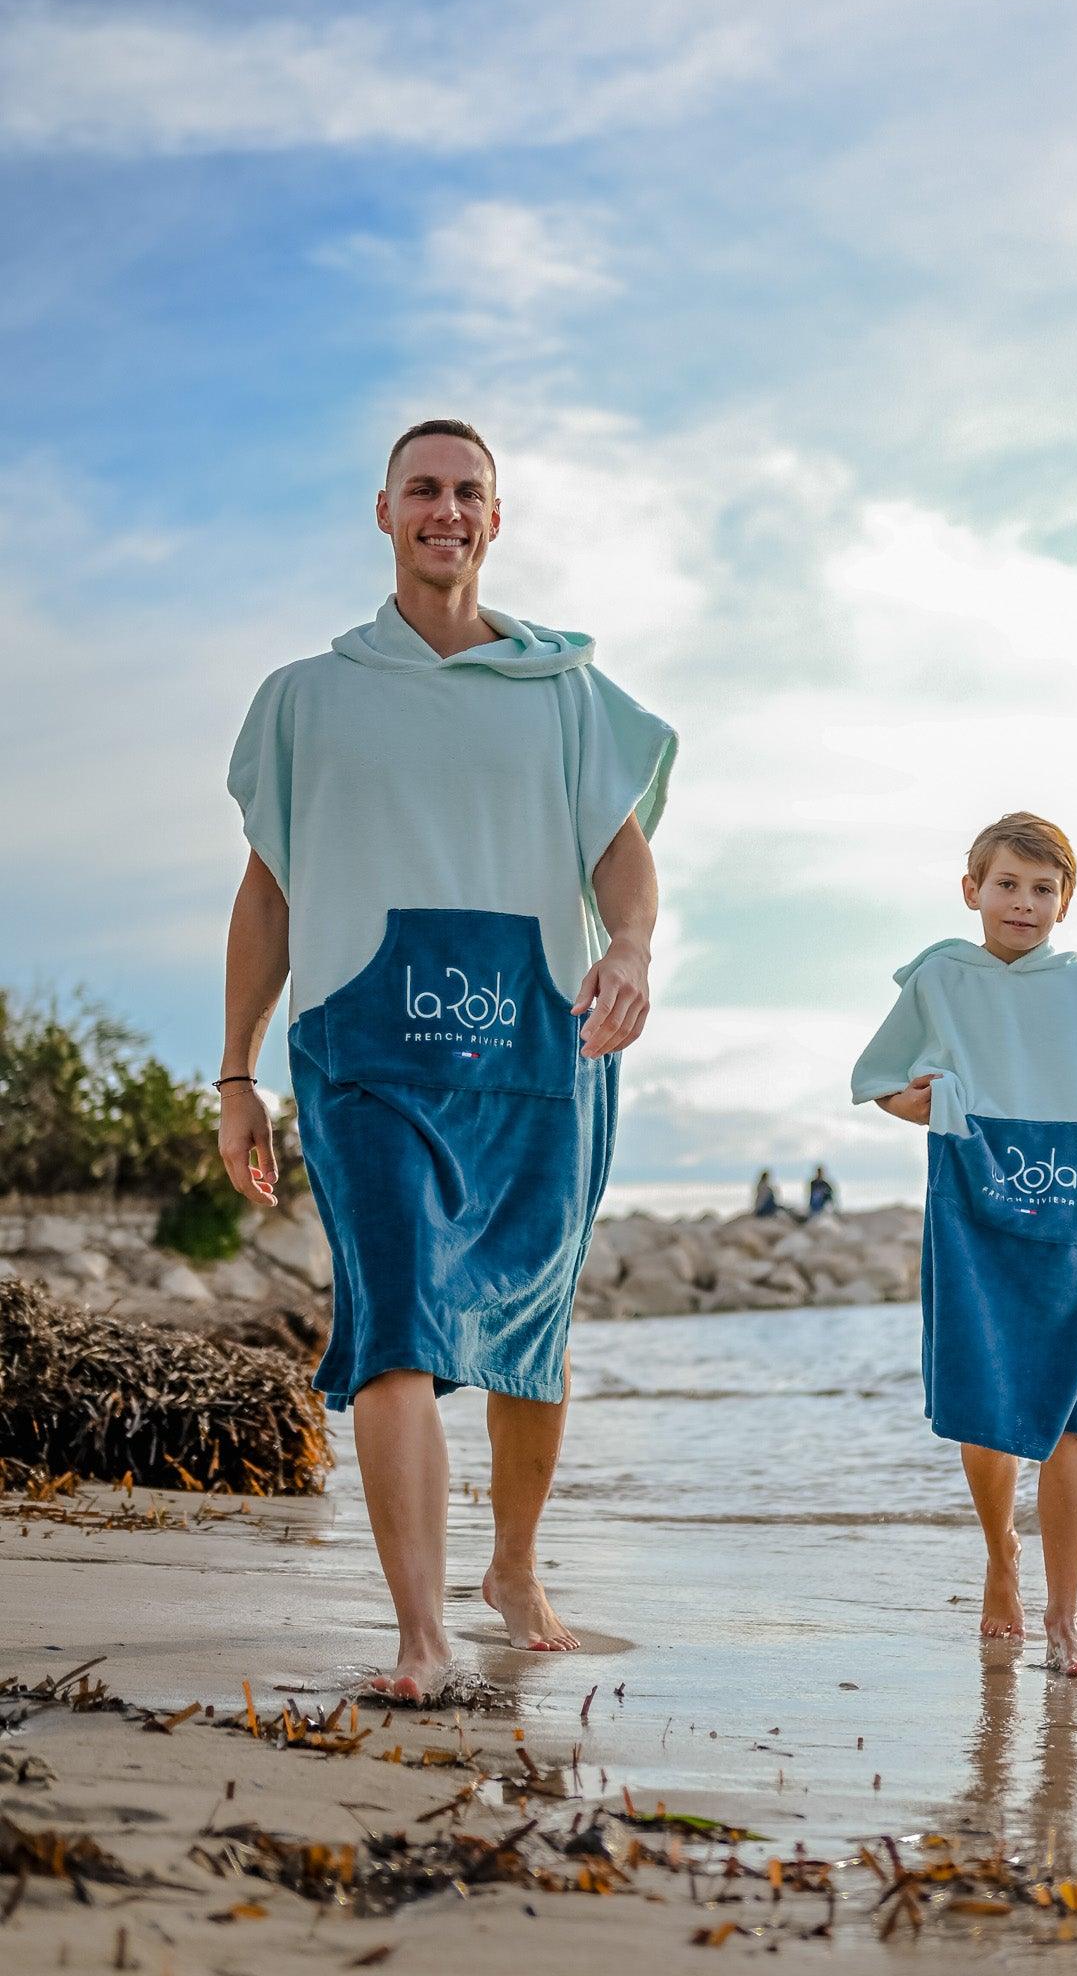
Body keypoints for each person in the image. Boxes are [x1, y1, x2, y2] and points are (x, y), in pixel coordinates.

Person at [217, 418, 676, 1694]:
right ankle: (420, 1632)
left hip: (541, 1038)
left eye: (469, 491)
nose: (446, 509)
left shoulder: (565, 690)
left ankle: (511, 1564)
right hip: (364, 1041)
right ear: (382, 511)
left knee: (533, 1325)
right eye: (423, 488)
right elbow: (268, 894)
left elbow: (620, 854)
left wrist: (630, 948)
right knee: (396, 1320)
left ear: (495, 517)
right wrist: (236, 1071)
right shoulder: (308, 695)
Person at [850, 812, 1077, 1677]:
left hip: (1076, 1210)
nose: (1024, 902)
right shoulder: (942, 978)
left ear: (1066, 900)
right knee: (985, 1406)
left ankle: (1065, 1622)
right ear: (971, 890)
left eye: (1043, 888)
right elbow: (879, 1082)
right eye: (1007, 884)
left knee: (1072, 1418)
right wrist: (923, 1101)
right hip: (972, 1200)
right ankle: (999, 1555)